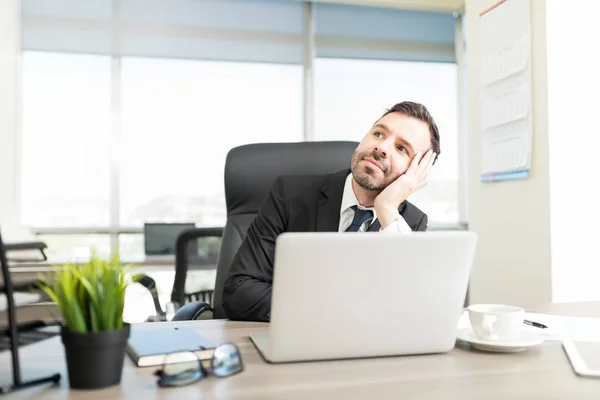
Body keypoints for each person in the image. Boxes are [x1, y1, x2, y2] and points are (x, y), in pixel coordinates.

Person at [222, 101, 440, 322]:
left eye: (401, 148)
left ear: (417, 172)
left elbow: (410, 311)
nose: (382, 147)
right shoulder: (289, 194)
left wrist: (386, 208)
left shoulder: (409, 223)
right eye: (379, 133)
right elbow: (238, 292)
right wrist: (329, 311)